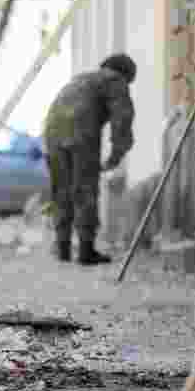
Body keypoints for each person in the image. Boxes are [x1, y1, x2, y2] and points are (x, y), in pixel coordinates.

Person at [43, 53, 136, 265]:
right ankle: (86, 251)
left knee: (61, 189)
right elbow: (122, 118)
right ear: (126, 74)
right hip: (80, 131)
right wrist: (117, 154)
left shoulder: (79, 80)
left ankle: (63, 248)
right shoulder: (114, 79)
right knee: (85, 188)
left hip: (52, 131)